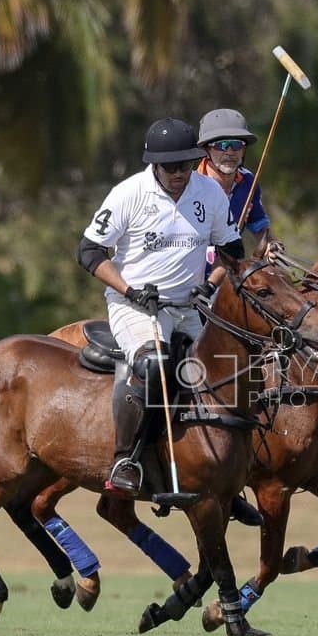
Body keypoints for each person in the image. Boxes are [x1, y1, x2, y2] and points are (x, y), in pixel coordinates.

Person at [77, 117, 244, 495]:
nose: (179, 174)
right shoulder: (128, 194)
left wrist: (209, 285)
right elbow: (88, 252)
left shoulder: (211, 194)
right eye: (170, 167)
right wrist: (131, 289)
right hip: (136, 307)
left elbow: (232, 251)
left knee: (223, 370)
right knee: (154, 365)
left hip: (190, 306)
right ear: (154, 164)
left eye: (185, 165)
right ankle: (127, 460)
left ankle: (225, 477)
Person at [195, 108, 272, 249]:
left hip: (229, 266)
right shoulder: (190, 187)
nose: (230, 152)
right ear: (206, 150)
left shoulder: (249, 181)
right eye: (221, 145)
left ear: (243, 150)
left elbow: (259, 225)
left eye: (237, 145)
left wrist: (270, 245)